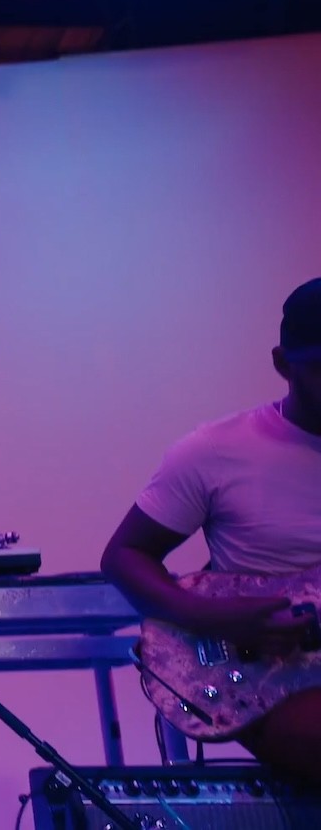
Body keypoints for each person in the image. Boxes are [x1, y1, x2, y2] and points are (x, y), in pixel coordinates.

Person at [101, 277, 321, 785]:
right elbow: (124, 556)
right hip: (271, 675)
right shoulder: (217, 451)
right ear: (283, 364)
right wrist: (213, 617)